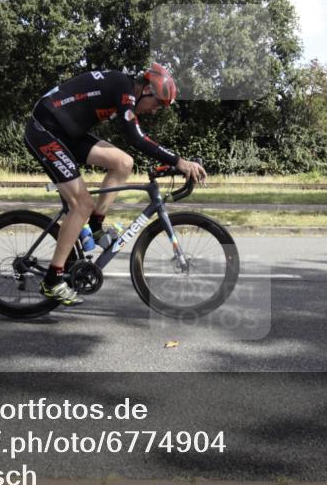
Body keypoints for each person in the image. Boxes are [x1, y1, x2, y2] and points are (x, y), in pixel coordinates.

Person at [24, 63, 207, 306]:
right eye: (158, 104)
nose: (154, 111)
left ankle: (96, 226)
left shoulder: (125, 90)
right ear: (147, 90)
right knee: (82, 204)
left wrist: (175, 161)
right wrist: (179, 162)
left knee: (123, 163)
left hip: (67, 132)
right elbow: (137, 137)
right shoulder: (124, 89)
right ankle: (52, 280)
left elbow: (135, 142)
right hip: (45, 129)